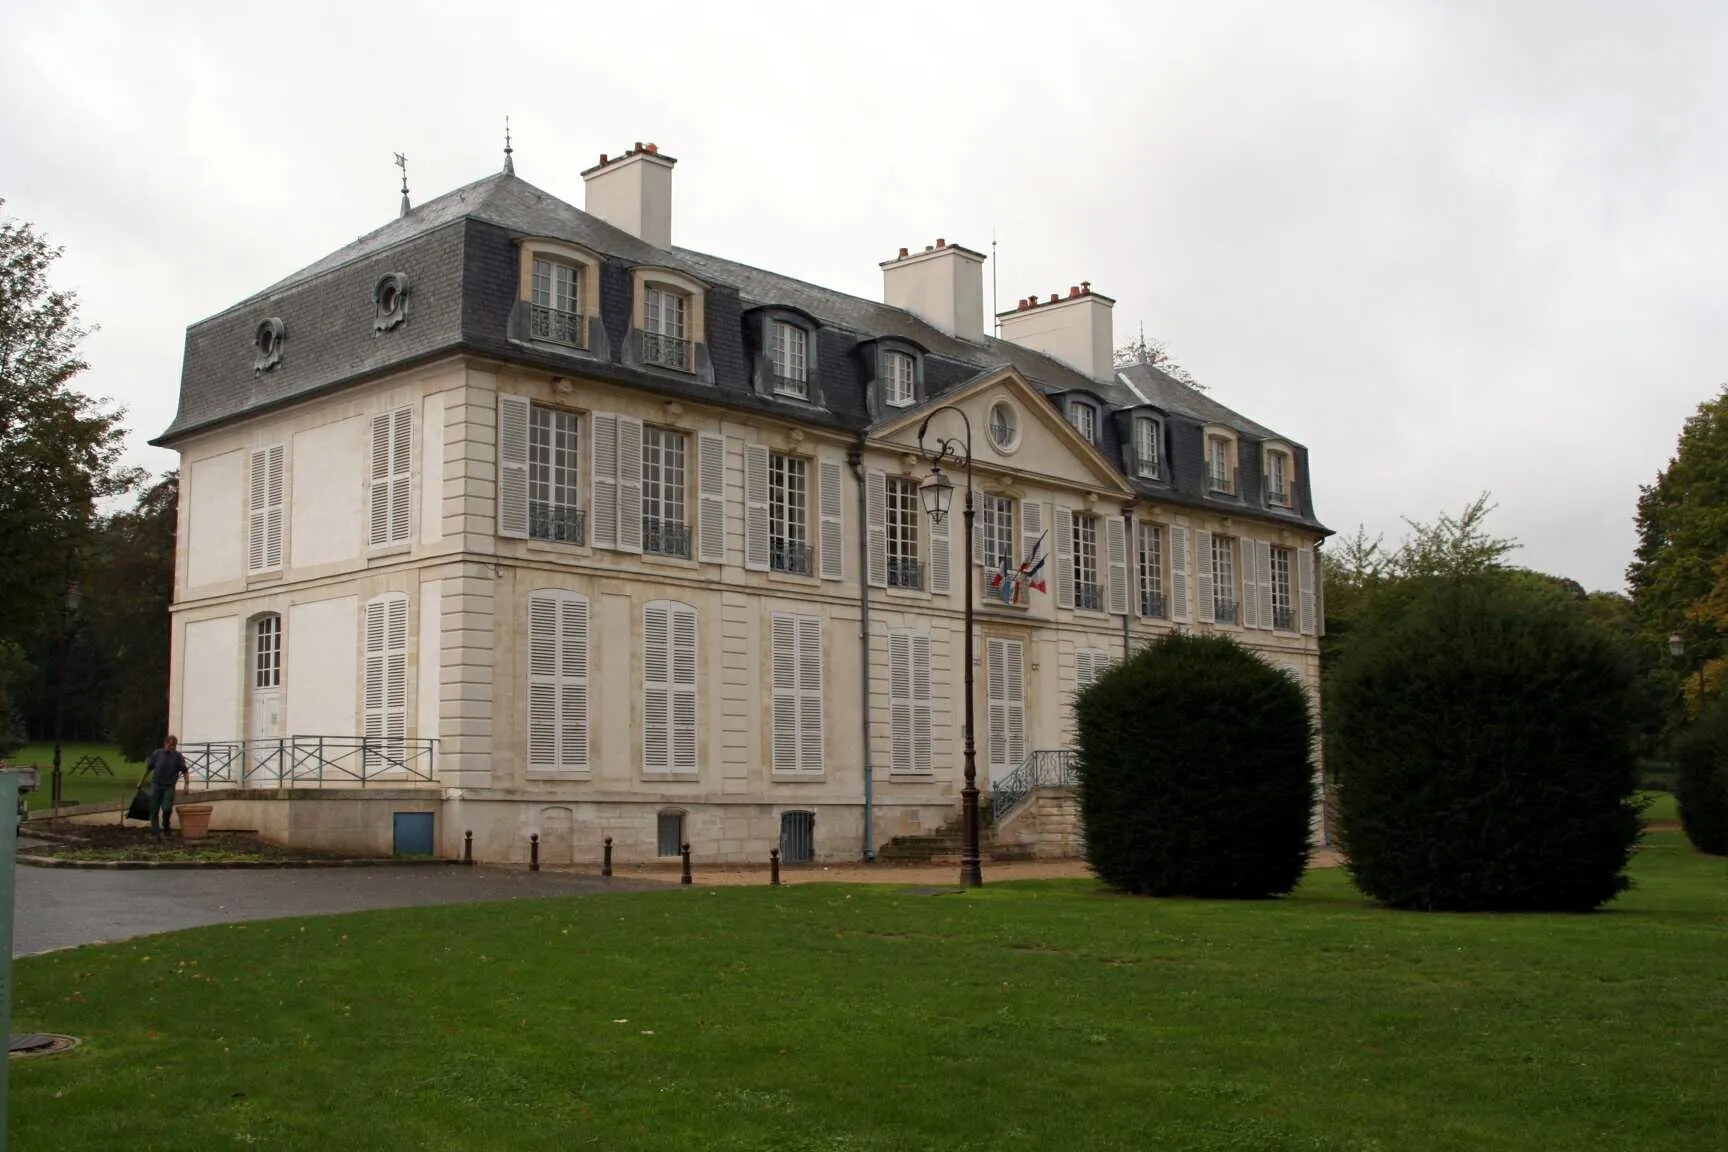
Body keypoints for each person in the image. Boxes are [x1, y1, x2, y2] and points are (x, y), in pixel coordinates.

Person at [145, 735, 189, 841]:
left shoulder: (178, 756)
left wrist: (186, 785)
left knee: (167, 808)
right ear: (165, 744)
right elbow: (148, 768)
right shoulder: (157, 754)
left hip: (169, 786)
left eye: (174, 745)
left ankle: (166, 826)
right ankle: (156, 833)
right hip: (156, 784)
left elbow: (185, 771)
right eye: (170, 745)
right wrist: (140, 782)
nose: (172, 747)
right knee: (153, 809)